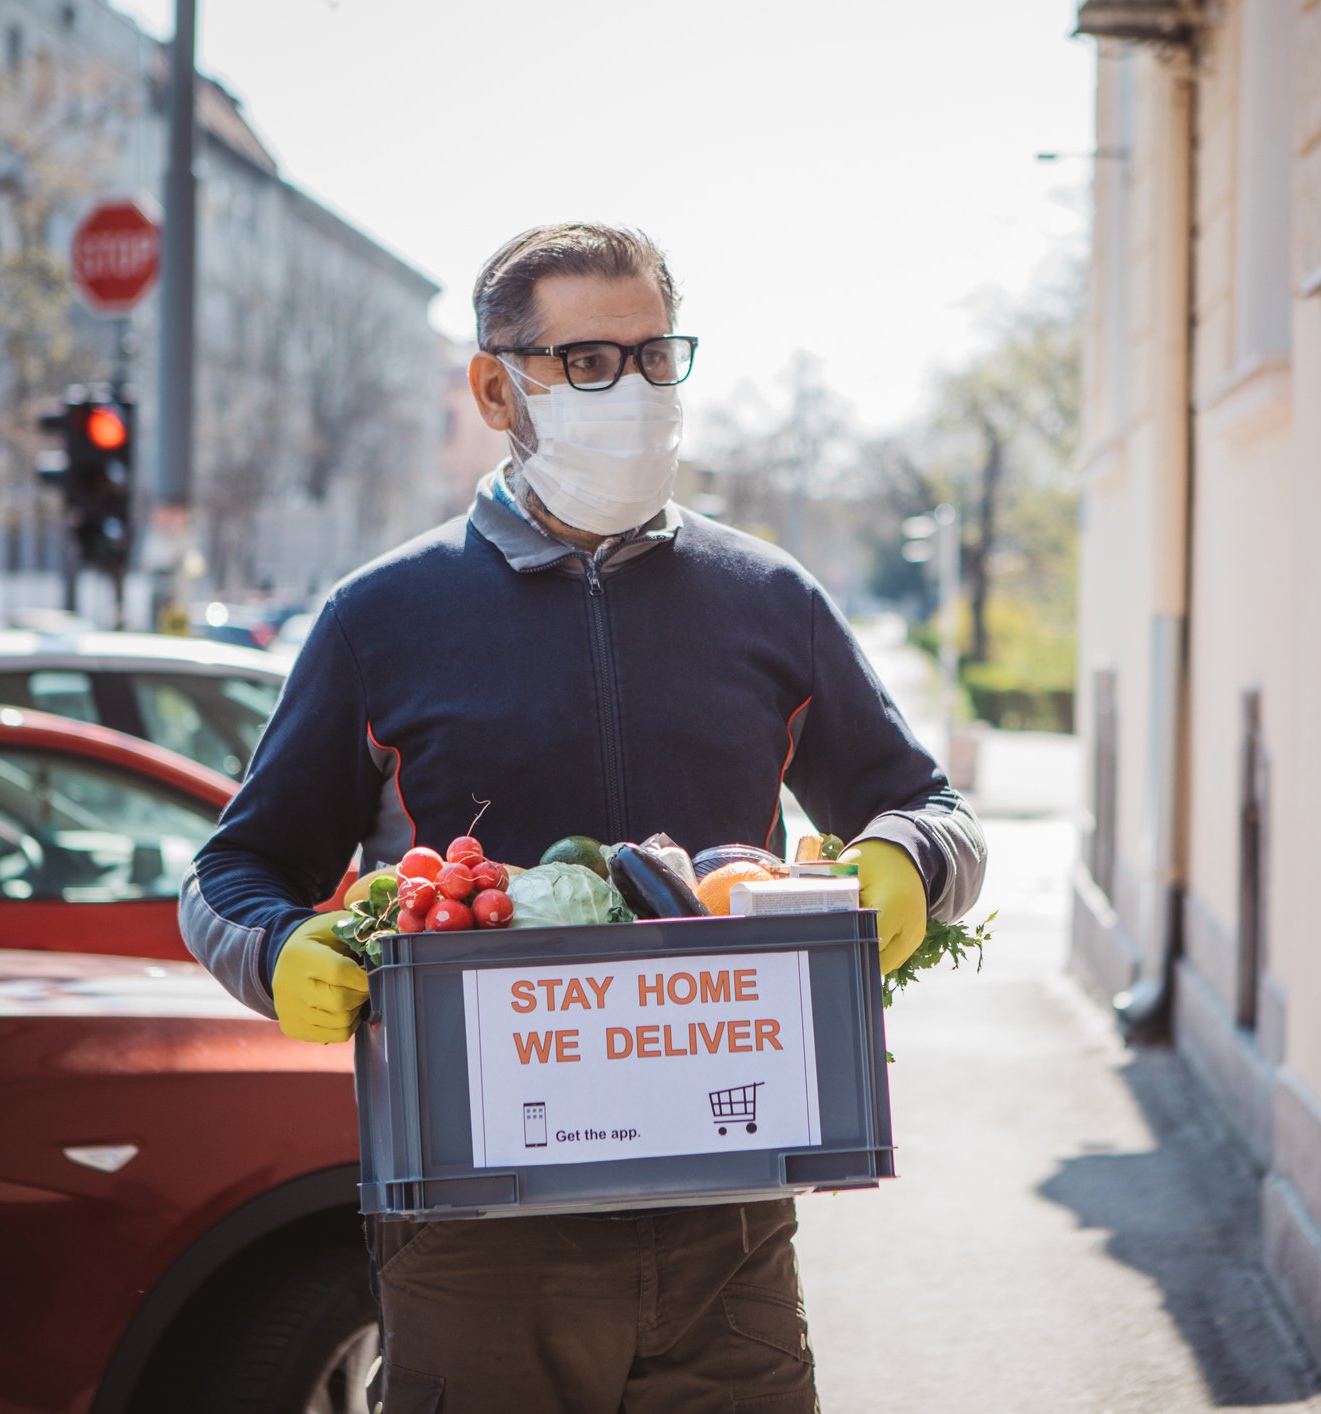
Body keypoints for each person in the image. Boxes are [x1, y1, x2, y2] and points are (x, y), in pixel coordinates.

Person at [181, 221, 986, 1413]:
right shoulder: (379, 620)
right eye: (590, 363)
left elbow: (932, 807)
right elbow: (232, 870)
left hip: (727, 1229)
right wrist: (272, 950)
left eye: (657, 357)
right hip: (478, 1239)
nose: (636, 393)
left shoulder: (768, 600)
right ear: (497, 388)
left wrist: (913, 859)